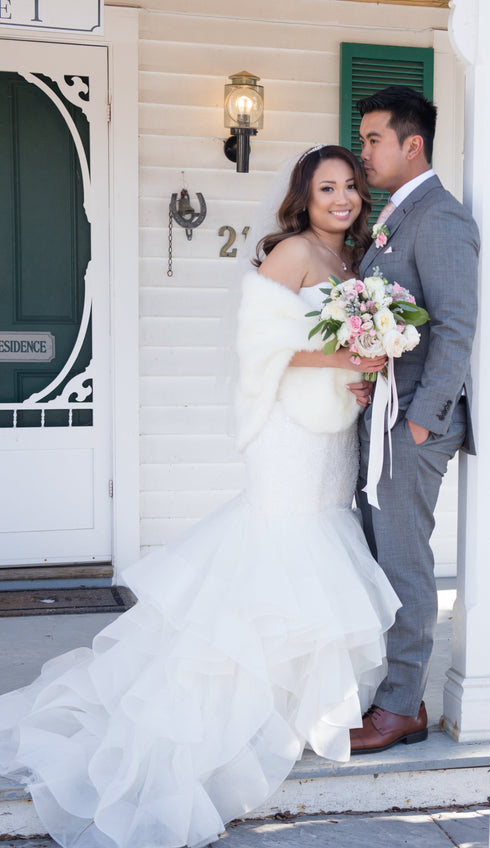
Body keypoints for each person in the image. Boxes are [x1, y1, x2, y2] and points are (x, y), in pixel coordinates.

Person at [0, 145, 400, 848]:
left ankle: (298, 703)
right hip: (286, 434)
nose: (342, 199)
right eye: (326, 188)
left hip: (329, 431)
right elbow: (261, 349)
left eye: (350, 188)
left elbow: (328, 340)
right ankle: (242, 704)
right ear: (303, 199)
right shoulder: (294, 253)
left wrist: (357, 374)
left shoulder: (349, 261)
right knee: (279, 546)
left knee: (319, 541)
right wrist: (344, 357)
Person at [349, 87, 480, 754]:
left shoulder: (441, 218)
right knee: (375, 558)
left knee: (404, 564)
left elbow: (456, 328)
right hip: (385, 418)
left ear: (412, 144)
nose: (363, 151)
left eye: (373, 139)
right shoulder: (396, 216)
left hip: (413, 430)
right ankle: (386, 692)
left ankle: (402, 706)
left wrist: (422, 422)